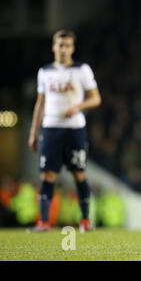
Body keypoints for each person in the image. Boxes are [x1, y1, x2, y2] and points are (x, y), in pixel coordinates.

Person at [27, 30, 101, 233]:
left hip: (75, 129)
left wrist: (78, 107)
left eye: (67, 45)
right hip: (51, 129)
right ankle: (44, 222)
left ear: (72, 48)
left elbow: (96, 98)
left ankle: (85, 221)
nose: (63, 49)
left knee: (79, 174)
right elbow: (40, 104)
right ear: (54, 47)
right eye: (60, 45)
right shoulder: (45, 72)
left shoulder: (81, 70)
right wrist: (33, 133)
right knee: (47, 175)